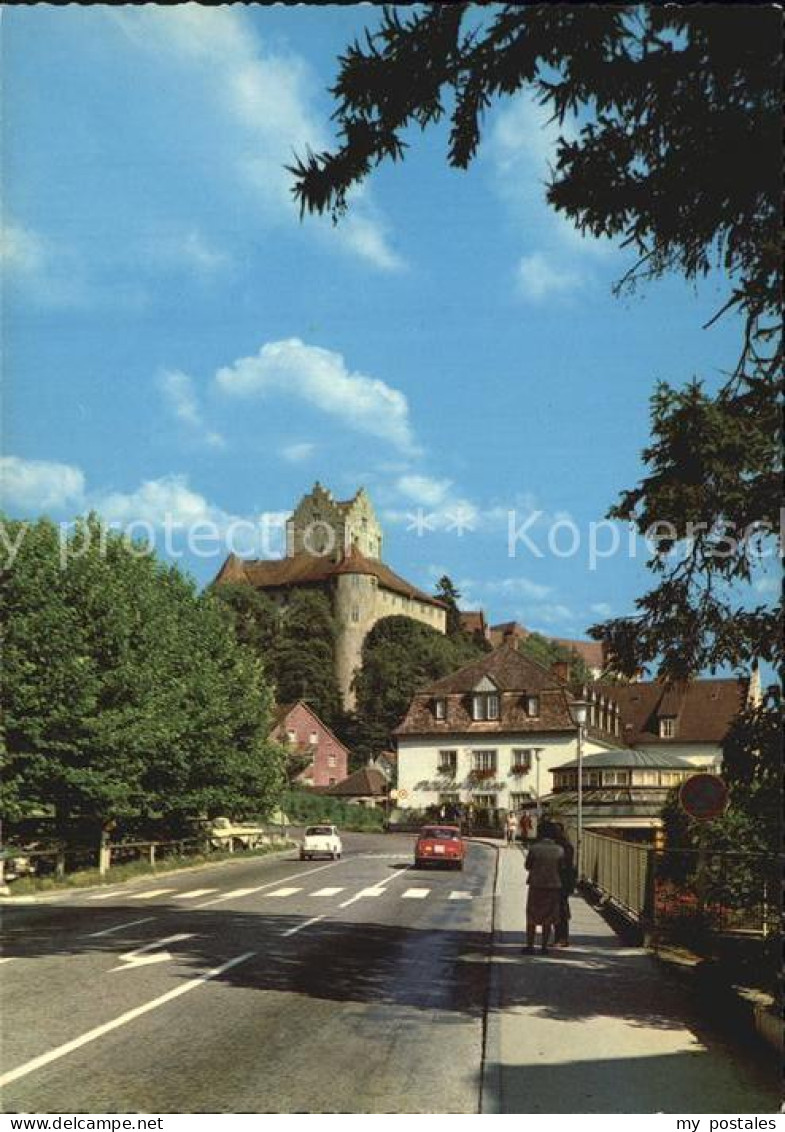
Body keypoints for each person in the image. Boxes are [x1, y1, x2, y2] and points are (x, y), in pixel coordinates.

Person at [522, 820, 564, 954]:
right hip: (553, 886)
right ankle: (544, 947)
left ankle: (530, 946)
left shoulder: (534, 848)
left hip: (536, 885)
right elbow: (562, 868)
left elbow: (527, 866)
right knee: (548, 918)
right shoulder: (559, 850)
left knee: (532, 917)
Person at [551, 822, 576, 947]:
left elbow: (563, 865)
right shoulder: (567, 846)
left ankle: (561, 938)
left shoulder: (561, 847)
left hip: (561, 881)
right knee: (560, 909)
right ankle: (560, 938)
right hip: (564, 881)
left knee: (560, 910)